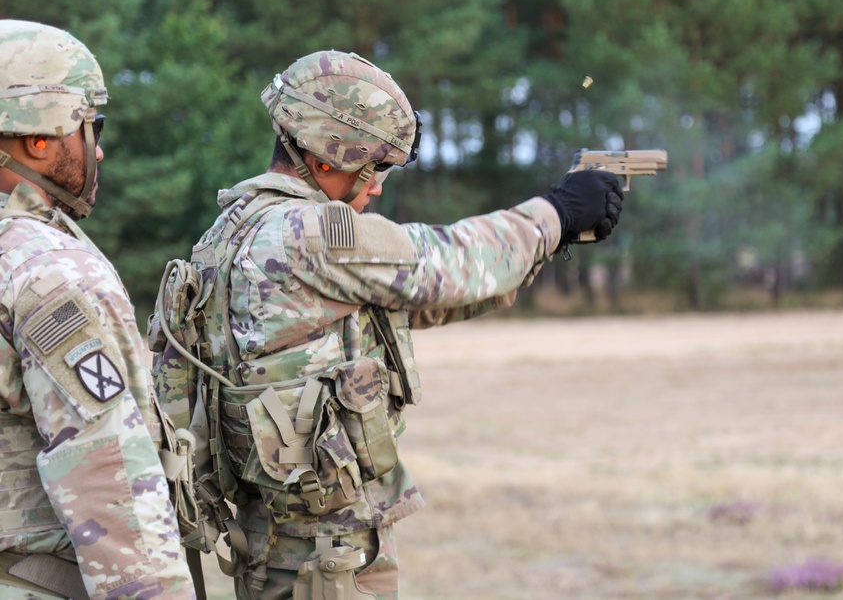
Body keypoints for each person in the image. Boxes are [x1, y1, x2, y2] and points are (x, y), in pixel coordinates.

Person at [151, 49, 623, 600]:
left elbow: (407, 303)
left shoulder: (230, 231)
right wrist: (555, 214)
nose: (376, 186)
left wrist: (546, 243)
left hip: (273, 543)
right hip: (326, 558)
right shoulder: (310, 234)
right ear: (326, 158)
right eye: (371, 167)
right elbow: (443, 263)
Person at [0, 20, 196, 599]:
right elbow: (108, 475)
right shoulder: (47, 270)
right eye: (91, 126)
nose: (99, 147)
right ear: (41, 136)